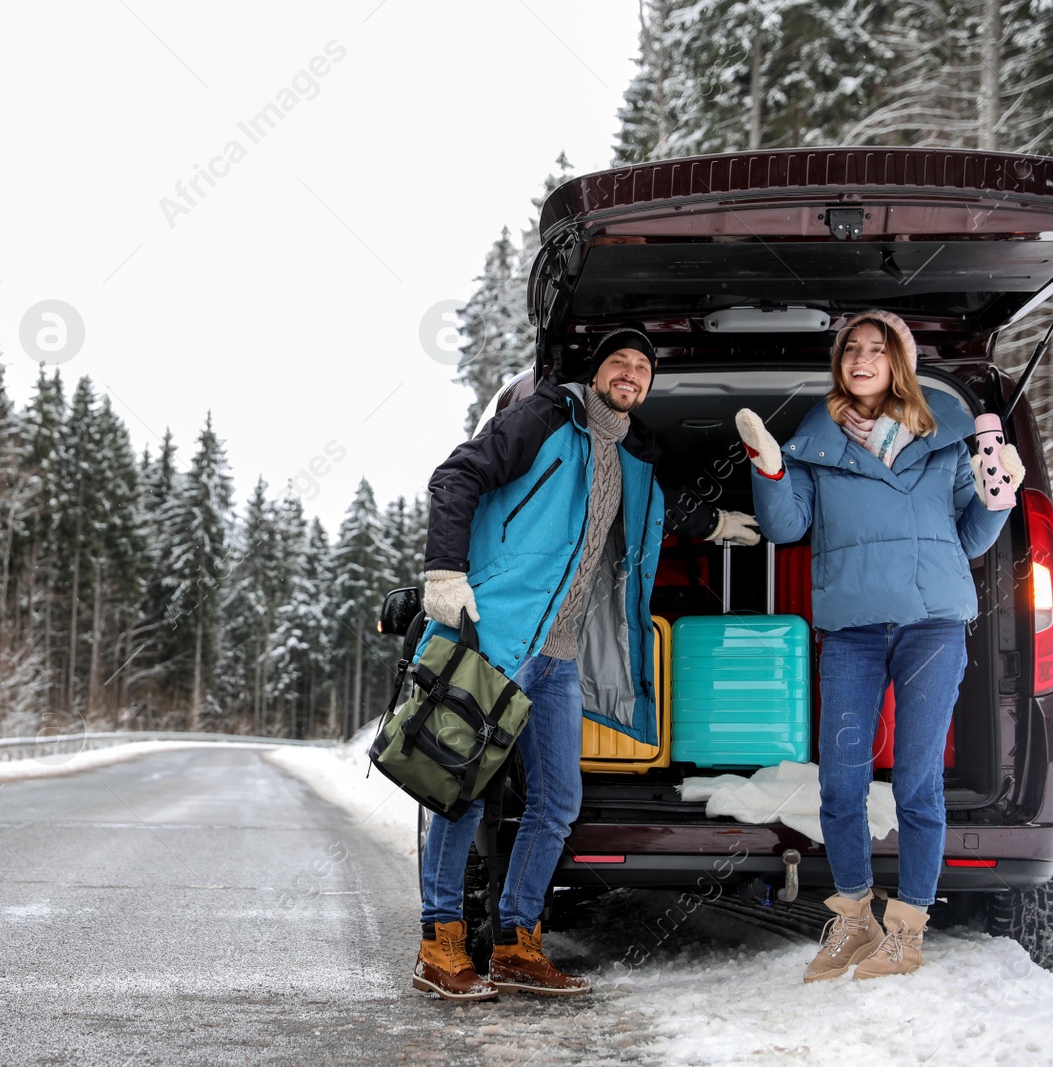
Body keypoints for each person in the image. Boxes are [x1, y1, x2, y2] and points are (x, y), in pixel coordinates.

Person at [414, 327, 760, 1000]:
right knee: (464, 785)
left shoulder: (632, 453)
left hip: (559, 657)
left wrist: (716, 523)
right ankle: (440, 943)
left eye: (642, 367)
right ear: (596, 372)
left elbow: (660, 512)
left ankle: (517, 943)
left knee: (558, 801)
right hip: (501, 634)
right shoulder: (546, 417)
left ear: (647, 385)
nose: (630, 373)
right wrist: (445, 571)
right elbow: (457, 474)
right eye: (619, 362)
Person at [736, 309, 1022, 981]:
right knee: (841, 781)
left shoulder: (946, 440)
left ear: (900, 362)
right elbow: (785, 527)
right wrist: (770, 467)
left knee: (918, 782)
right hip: (854, 632)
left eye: (877, 348)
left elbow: (973, 540)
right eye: (851, 349)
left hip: (931, 625)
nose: (862, 358)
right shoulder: (814, 441)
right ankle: (856, 919)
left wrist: (998, 493)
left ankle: (909, 929)